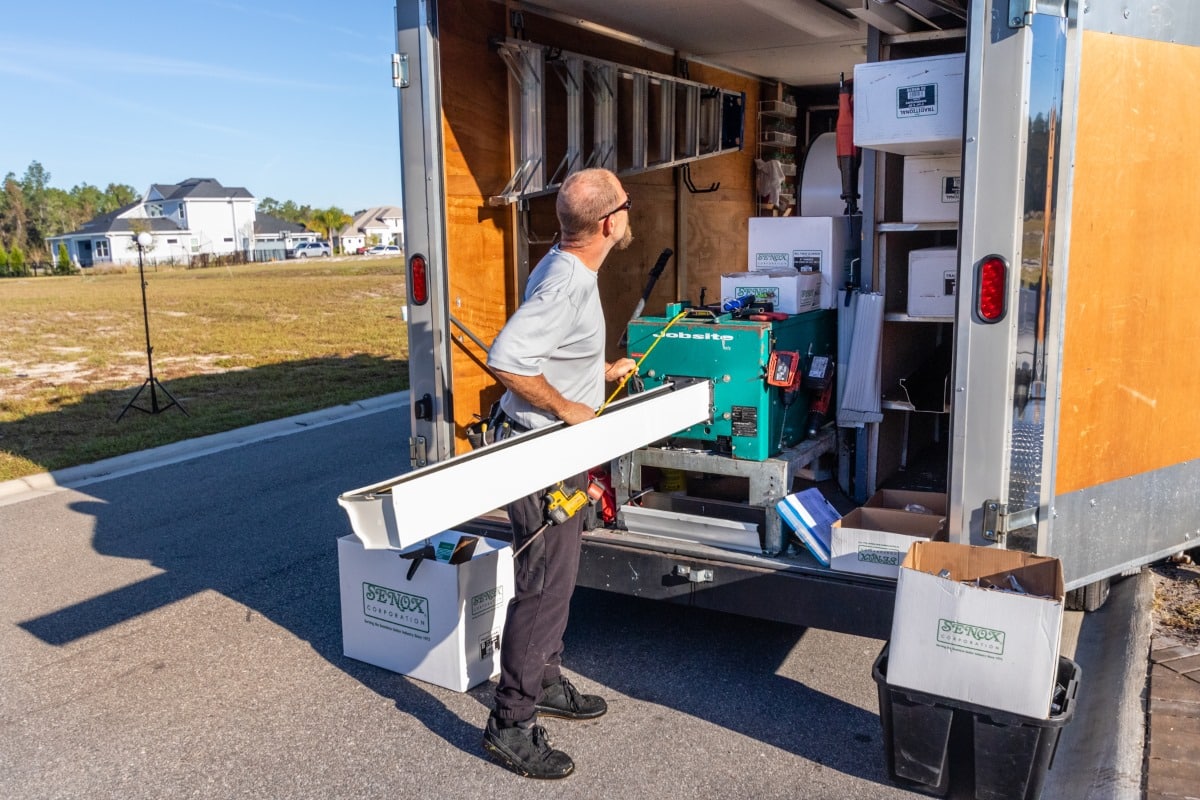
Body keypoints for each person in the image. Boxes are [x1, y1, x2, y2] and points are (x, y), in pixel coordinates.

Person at [481, 168, 638, 779]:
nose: (629, 212)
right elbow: (509, 359)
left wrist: (595, 372)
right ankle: (511, 723)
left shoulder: (562, 262)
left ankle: (543, 680)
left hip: (553, 452)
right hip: (543, 457)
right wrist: (572, 408)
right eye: (626, 205)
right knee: (543, 588)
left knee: (557, 580)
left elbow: (551, 348)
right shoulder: (567, 283)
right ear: (608, 223)